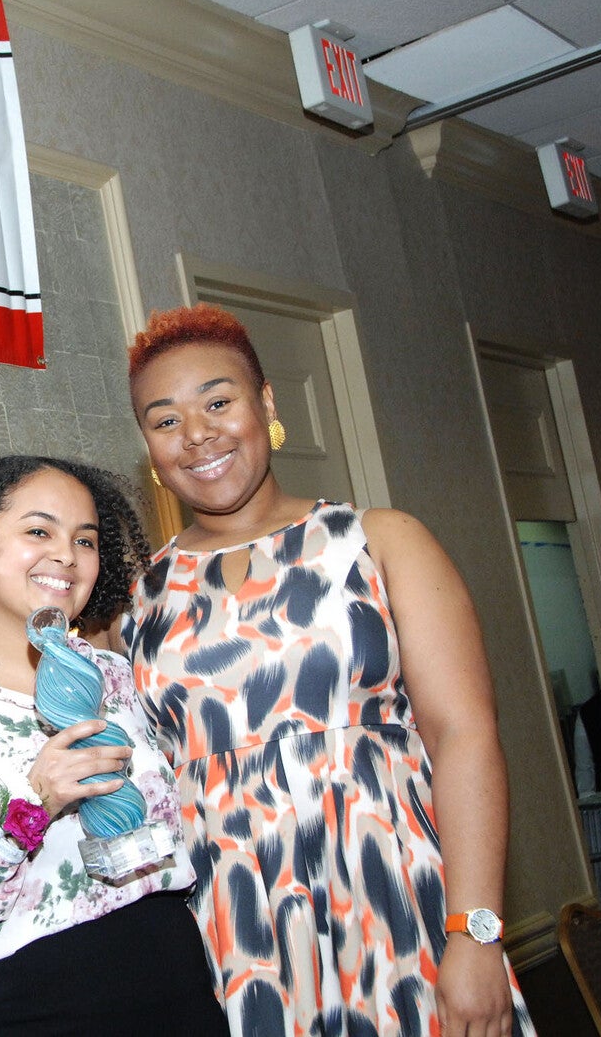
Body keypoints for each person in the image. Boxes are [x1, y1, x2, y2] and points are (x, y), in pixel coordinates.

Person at [123, 304, 536, 1037]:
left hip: (401, 911)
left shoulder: (380, 540)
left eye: (218, 401)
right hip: (233, 942)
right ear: (148, 444)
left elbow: (464, 735)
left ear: (267, 404)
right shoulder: (135, 599)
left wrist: (476, 933)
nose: (197, 435)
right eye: (165, 420)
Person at [0, 455, 226, 1035]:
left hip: (176, 975)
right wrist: (32, 806)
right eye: (38, 531)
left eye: (84, 540)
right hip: (36, 1003)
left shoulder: (117, 678)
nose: (66, 554)